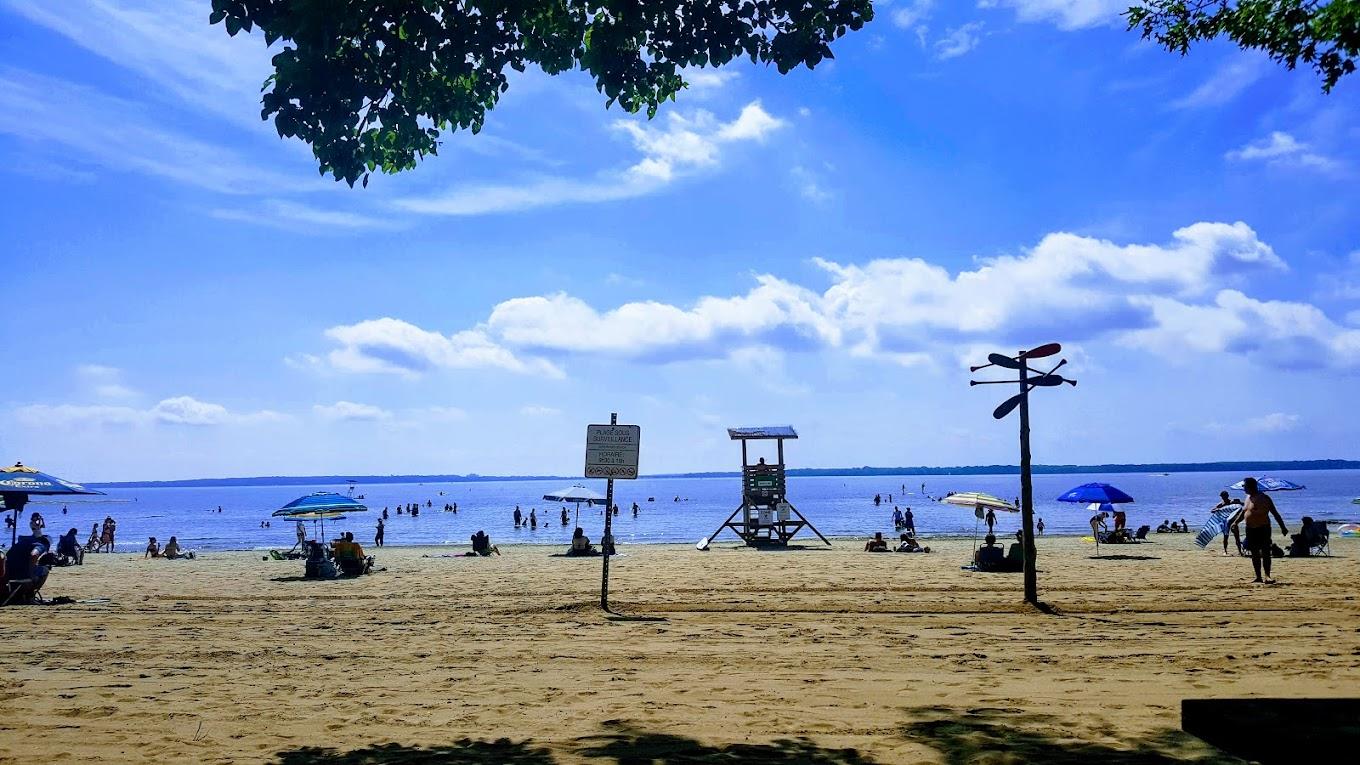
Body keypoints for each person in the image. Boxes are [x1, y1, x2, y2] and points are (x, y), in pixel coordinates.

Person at [1231, 477, 1289, 584]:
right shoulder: (1247, 498)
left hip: (1263, 528)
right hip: (1250, 529)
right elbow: (1244, 512)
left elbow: (1275, 513)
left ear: (1251, 486)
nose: (1243, 488)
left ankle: (1267, 576)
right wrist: (1235, 522)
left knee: (1266, 552)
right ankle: (1258, 576)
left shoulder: (1264, 498)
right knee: (1255, 553)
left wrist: (1283, 527)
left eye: (1245, 486)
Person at [4, 514, 53, 603]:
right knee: (44, 570)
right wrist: (31, 575)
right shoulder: (41, 544)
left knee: (30, 566)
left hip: (6, 572)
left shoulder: (24, 541)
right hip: (19, 574)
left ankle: (19, 593)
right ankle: (30, 596)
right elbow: (33, 555)